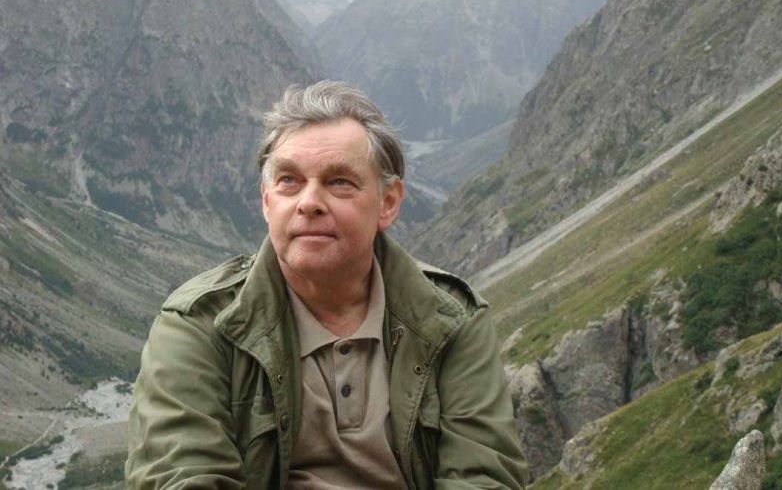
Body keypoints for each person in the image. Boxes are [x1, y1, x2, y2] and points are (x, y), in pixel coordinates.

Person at [125, 81, 528, 488]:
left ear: (388, 203)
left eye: (339, 182)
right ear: (266, 201)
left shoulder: (452, 322)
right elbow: (182, 477)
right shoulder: (199, 325)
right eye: (289, 180)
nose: (309, 202)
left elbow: (485, 479)